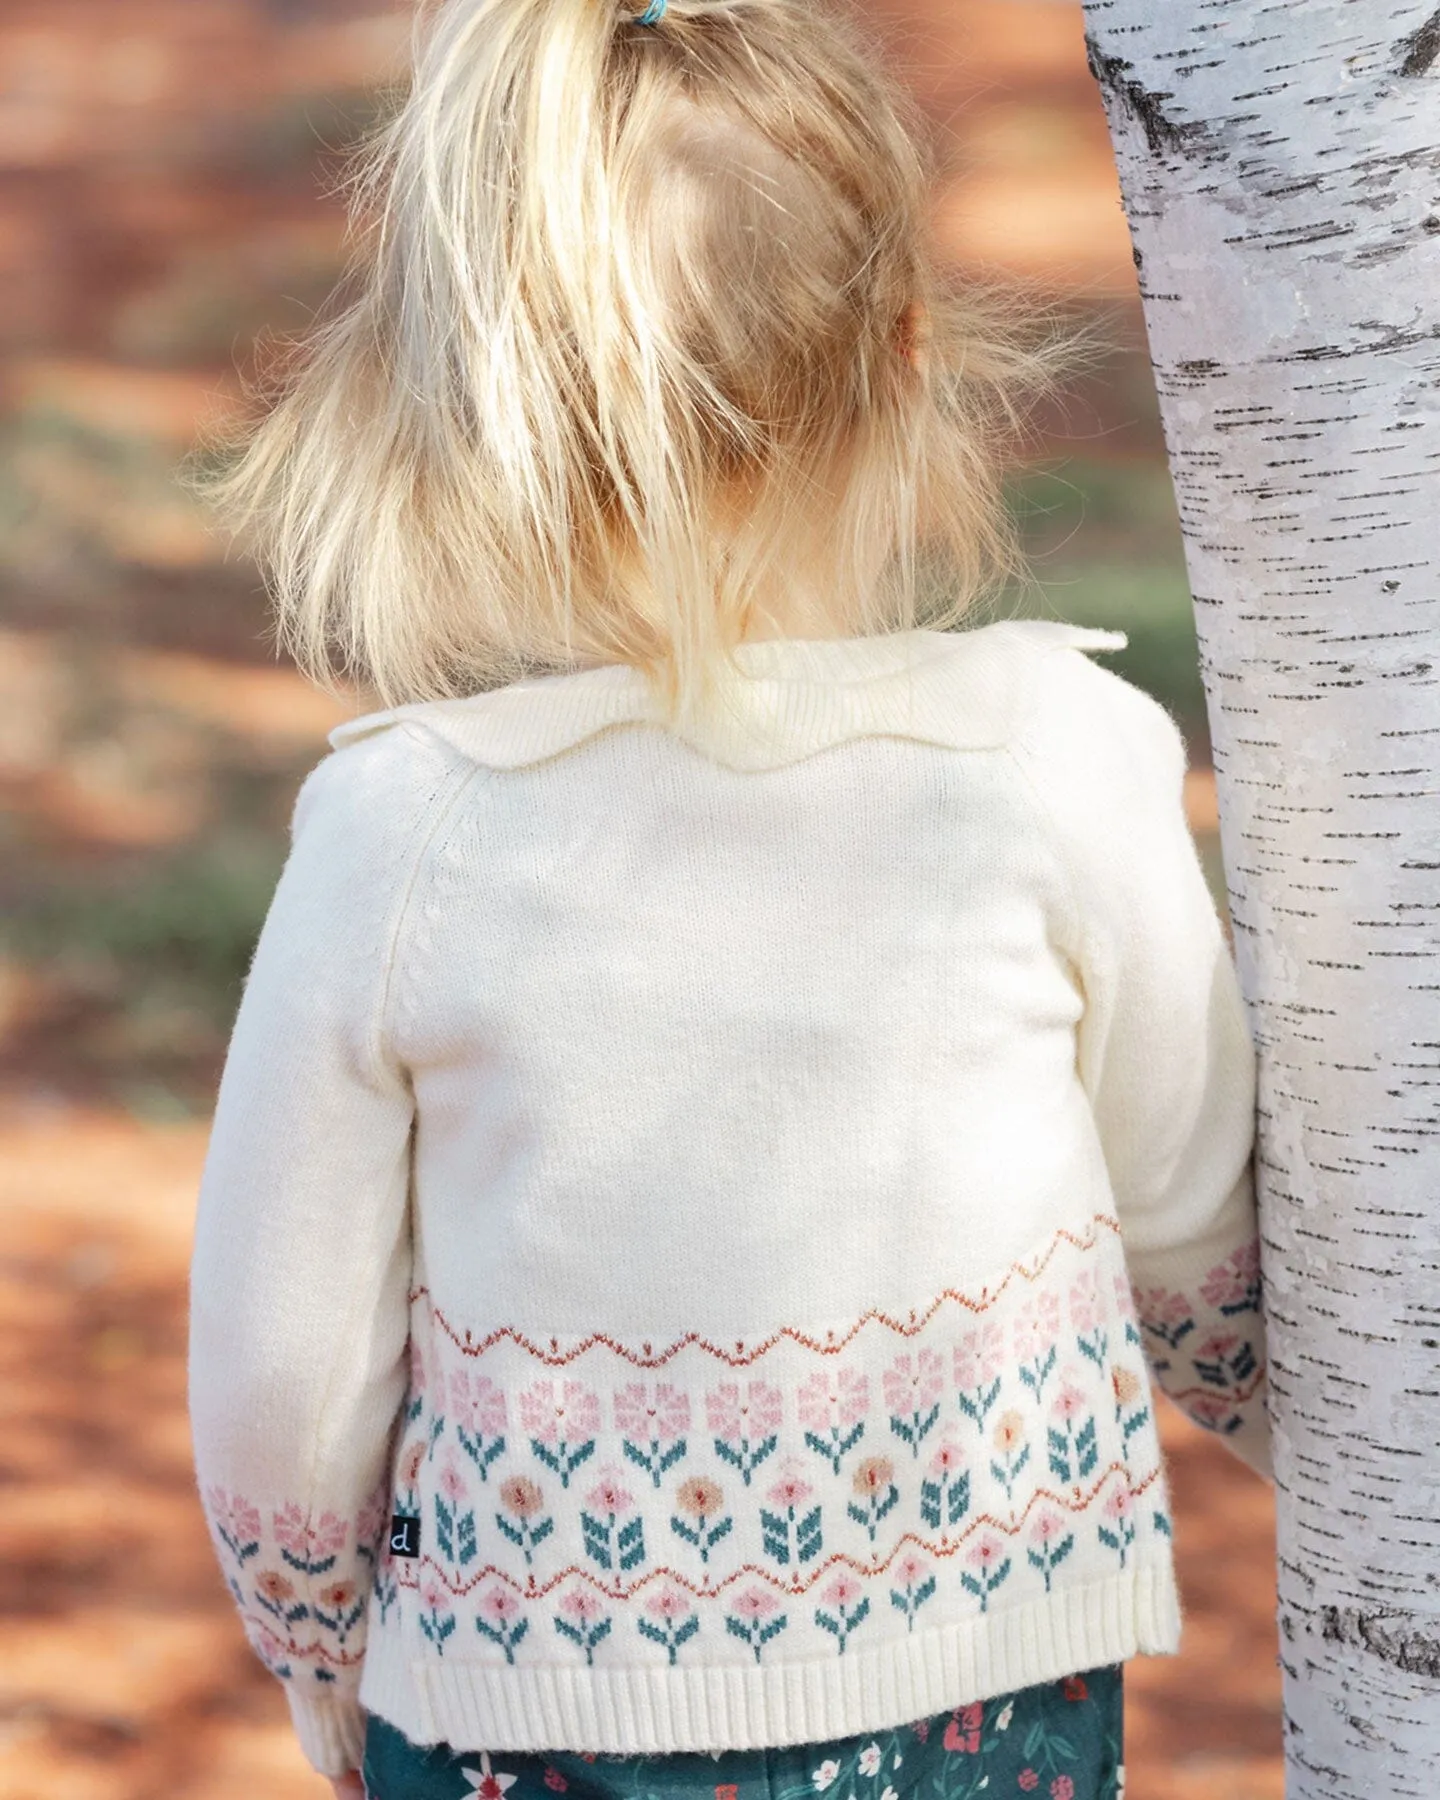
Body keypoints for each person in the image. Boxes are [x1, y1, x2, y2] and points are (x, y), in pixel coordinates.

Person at [186, 0, 1272, 1795]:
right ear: (913, 354)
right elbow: (1190, 1206)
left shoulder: (407, 832)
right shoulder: (1060, 757)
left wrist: (315, 1641)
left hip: (523, 1728)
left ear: (474, 406)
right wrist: (1306, 1433)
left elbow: (288, 1366)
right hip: (986, 1703)